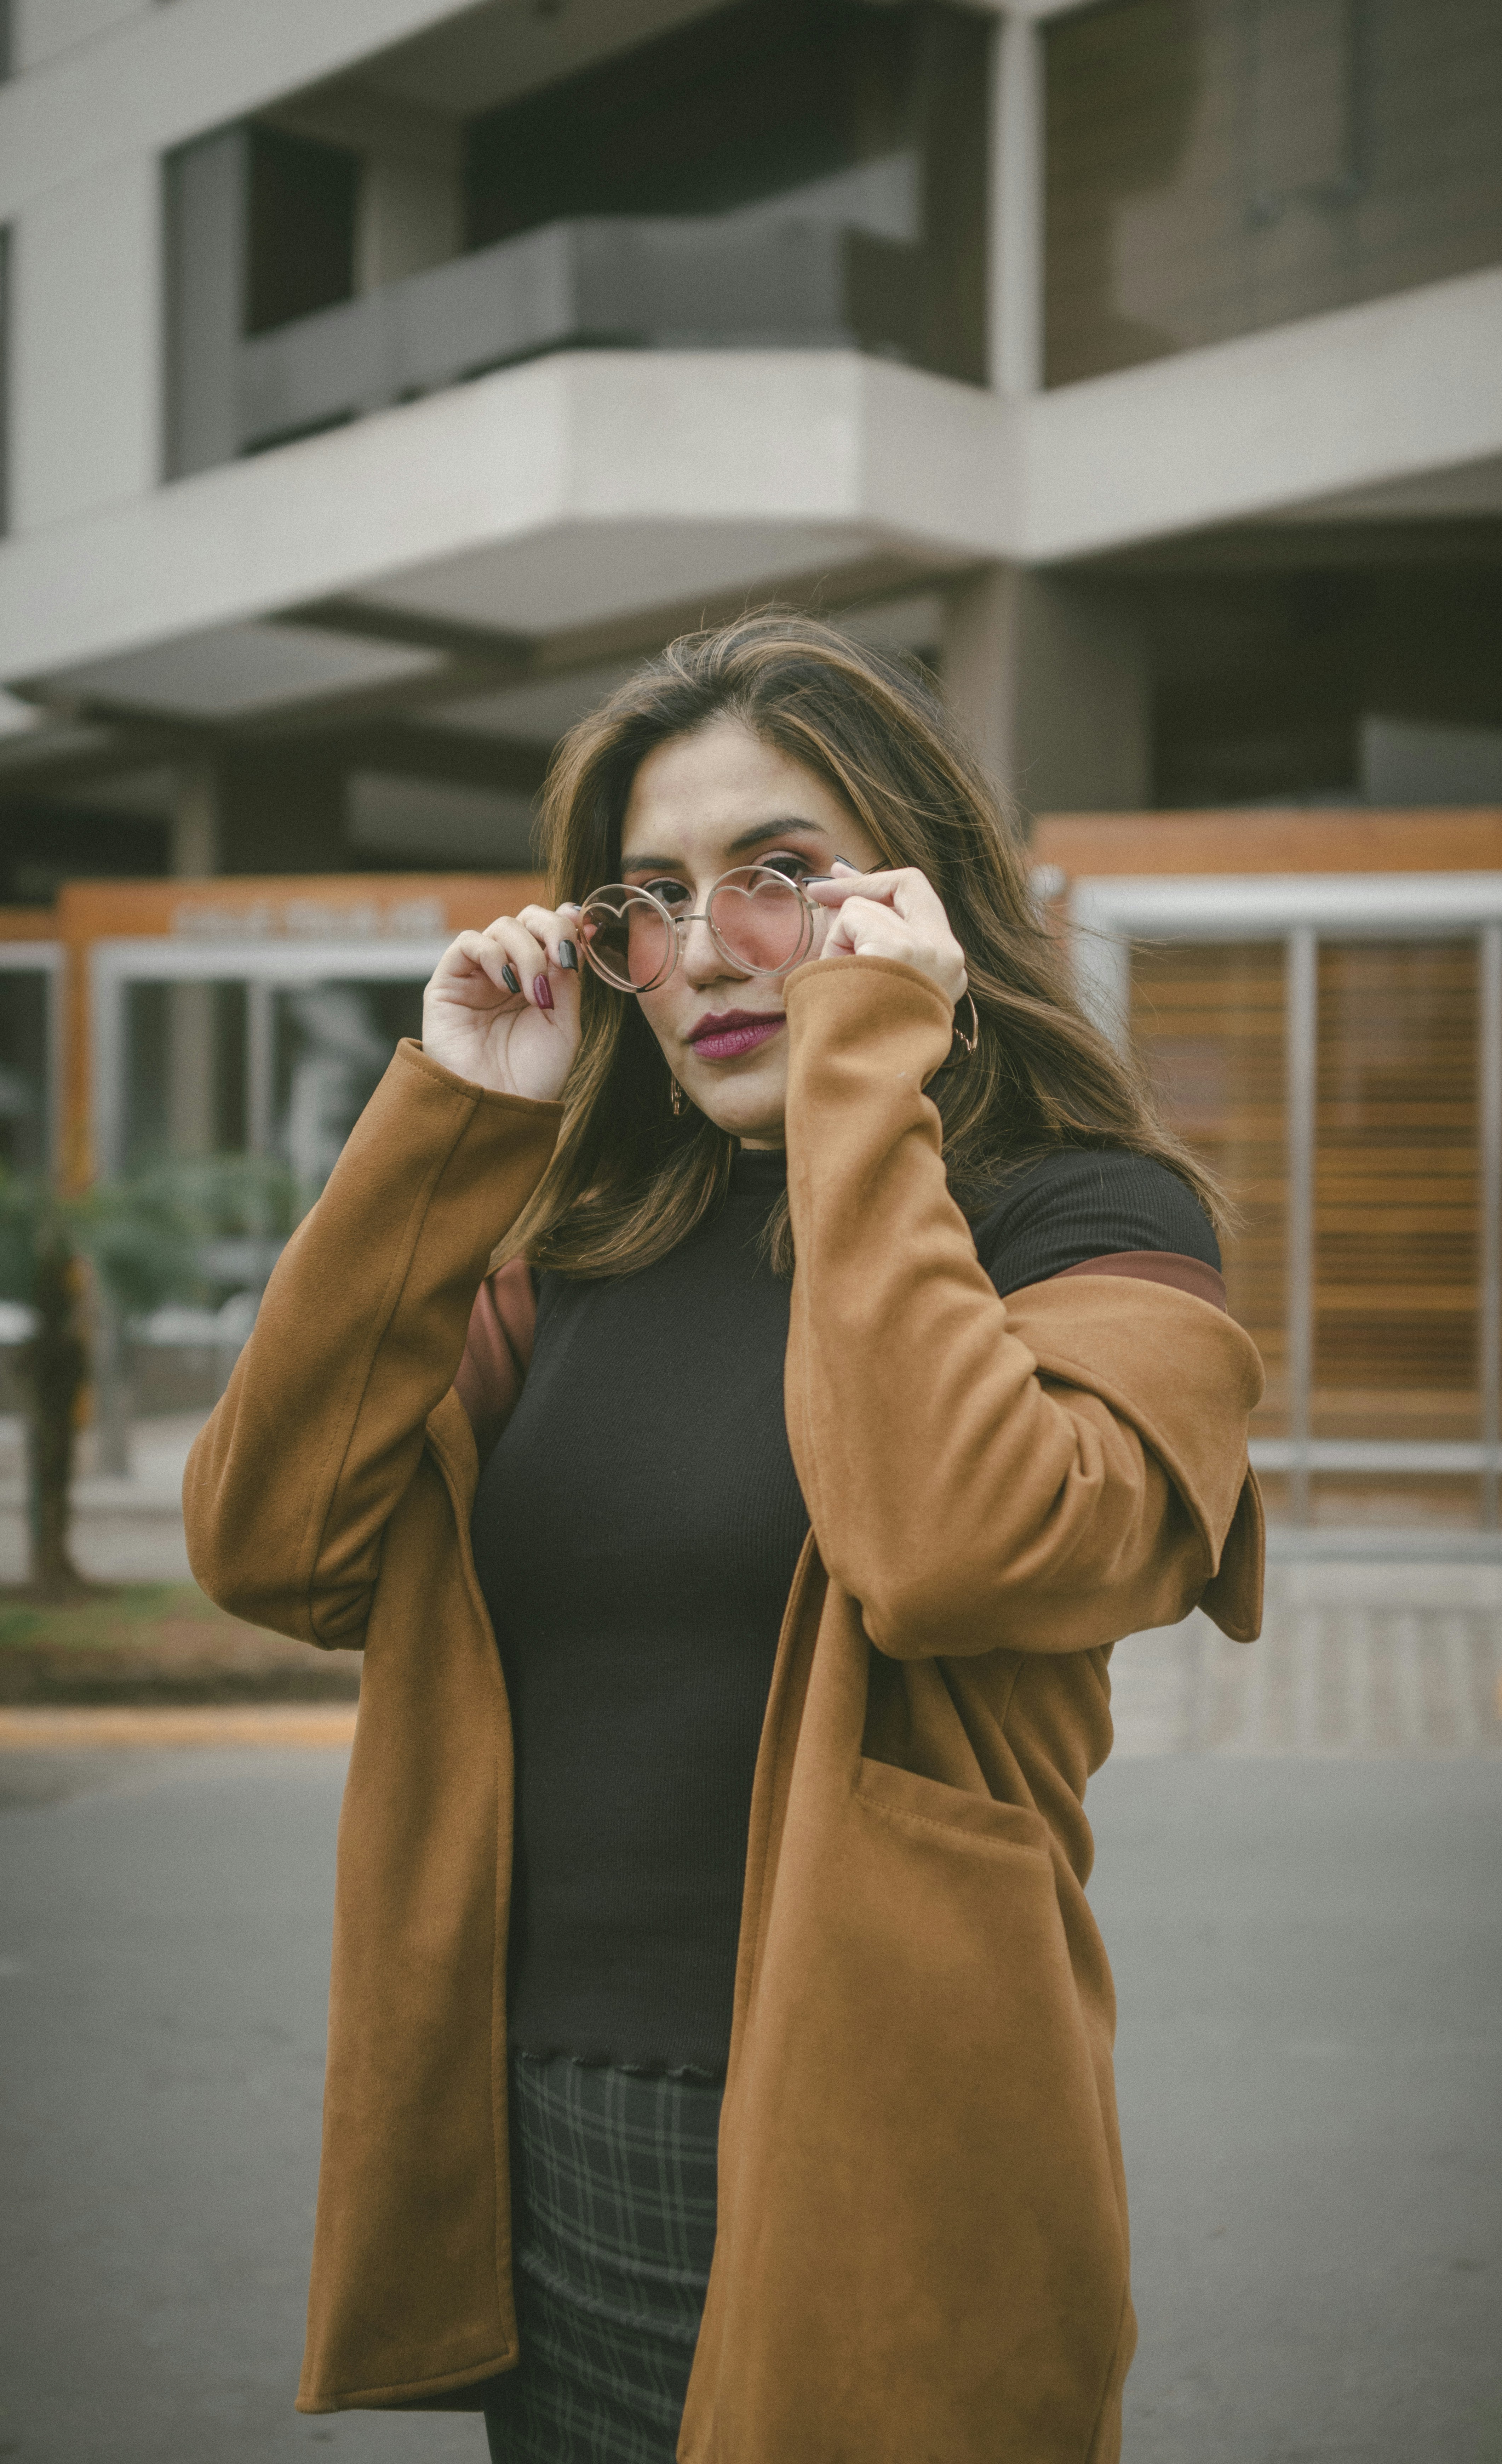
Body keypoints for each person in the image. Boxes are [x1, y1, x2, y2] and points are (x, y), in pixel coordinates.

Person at [184, 611, 1263, 2464]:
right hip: (550, 2129)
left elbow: (951, 1545)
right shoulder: (574, 1247)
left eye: (784, 880)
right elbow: (271, 1547)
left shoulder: (1086, 1222)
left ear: (918, 896)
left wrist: (866, 1069)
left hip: (881, 2143)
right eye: (653, 902)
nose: (708, 955)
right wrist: (450, 1131)